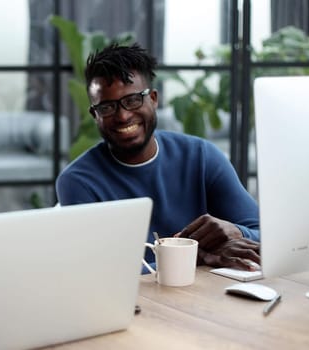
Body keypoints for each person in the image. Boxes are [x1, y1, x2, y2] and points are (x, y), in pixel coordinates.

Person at [56, 43, 260, 271]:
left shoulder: (201, 157)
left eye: (133, 100)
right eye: (107, 107)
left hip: (208, 296)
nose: (123, 116)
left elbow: (264, 234)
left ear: (153, 99)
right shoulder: (79, 182)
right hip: (135, 304)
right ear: (95, 115)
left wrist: (237, 232)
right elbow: (95, 271)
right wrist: (194, 257)